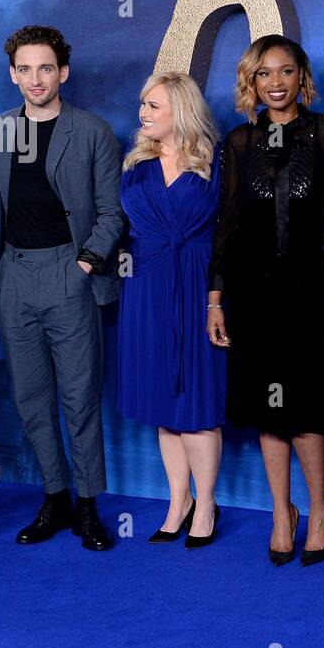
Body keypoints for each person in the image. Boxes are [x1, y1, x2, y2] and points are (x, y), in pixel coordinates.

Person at [0, 25, 126, 551]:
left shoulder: (91, 132)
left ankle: (89, 506)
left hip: (70, 272)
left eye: (45, 67)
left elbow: (113, 213)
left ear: (63, 72)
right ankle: (56, 495)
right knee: (29, 398)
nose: (35, 78)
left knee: (79, 399)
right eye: (24, 69)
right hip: (14, 275)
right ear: (13, 75)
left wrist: (86, 264)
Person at [209, 35, 324, 566]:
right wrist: (215, 298)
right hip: (253, 292)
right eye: (264, 74)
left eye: (286, 71)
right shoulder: (239, 141)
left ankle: (319, 509)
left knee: (307, 408)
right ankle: (280, 512)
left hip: (311, 289)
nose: (276, 82)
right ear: (251, 82)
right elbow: (228, 222)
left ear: (302, 78)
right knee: (270, 410)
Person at [117, 72, 228, 548]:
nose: (143, 114)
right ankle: (176, 501)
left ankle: (206, 505)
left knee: (197, 404)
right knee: (164, 402)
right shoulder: (135, 165)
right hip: (146, 287)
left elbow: (228, 236)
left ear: (180, 111)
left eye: (154, 106)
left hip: (198, 282)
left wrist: (216, 298)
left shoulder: (215, 162)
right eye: (142, 104)